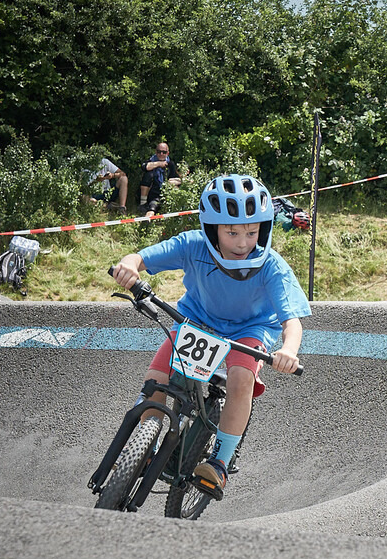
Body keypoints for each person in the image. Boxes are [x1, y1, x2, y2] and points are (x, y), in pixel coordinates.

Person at [111, 173, 310, 497]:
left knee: (241, 380)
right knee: (156, 379)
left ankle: (219, 462)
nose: (243, 242)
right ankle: (142, 442)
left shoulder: (273, 266)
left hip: (249, 329)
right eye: (232, 232)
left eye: (251, 231)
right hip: (197, 319)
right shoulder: (193, 245)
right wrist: (128, 266)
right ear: (212, 229)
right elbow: (141, 257)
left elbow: (292, 321)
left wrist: (289, 350)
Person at [138, 142, 183, 217]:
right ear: (156, 152)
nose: (161, 154)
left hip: (163, 193)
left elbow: (177, 178)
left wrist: (171, 182)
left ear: (167, 153)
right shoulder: (151, 161)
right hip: (150, 192)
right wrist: (159, 164)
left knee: (154, 206)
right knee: (149, 174)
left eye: (164, 152)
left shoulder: (171, 164)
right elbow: (145, 167)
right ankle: (143, 204)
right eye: (159, 152)